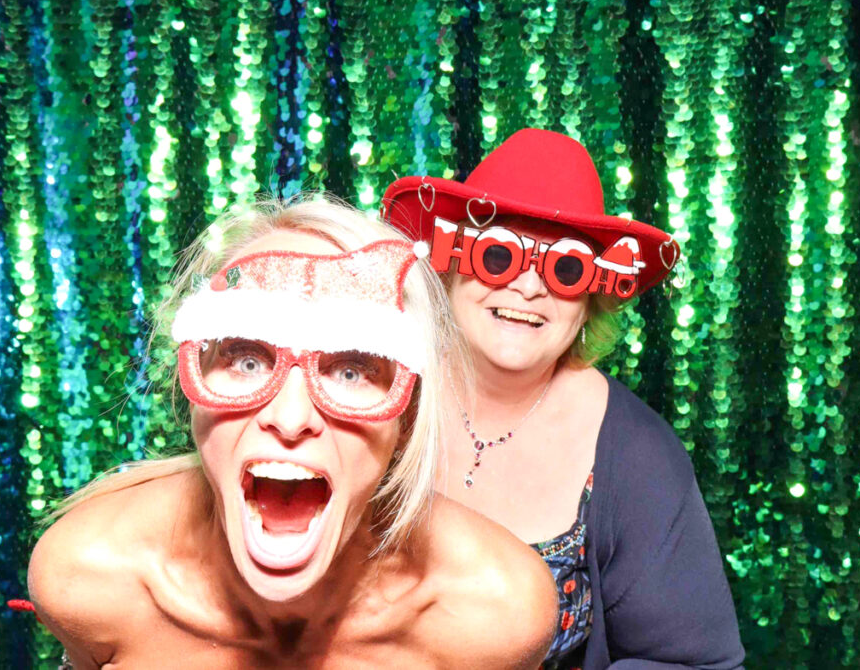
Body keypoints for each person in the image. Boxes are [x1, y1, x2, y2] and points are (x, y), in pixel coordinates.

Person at [28, 197, 557, 668]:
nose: (288, 417)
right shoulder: (88, 576)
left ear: (408, 414)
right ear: (189, 388)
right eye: (247, 359)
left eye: (352, 370)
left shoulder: (494, 612)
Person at [384, 129, 745, 670]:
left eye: (566, 268)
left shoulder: (634, 454)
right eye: (499, 253)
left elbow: (695, 664)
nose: (529, 287)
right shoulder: (365, 394)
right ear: (450, 265)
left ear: (592, 300)